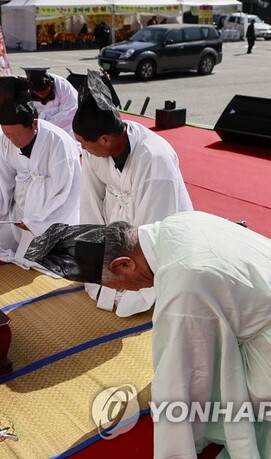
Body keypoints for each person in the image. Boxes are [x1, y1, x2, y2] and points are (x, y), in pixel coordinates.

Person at [25, 211, 271, 459]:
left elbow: (181, 379)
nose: (123, 292)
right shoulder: (179, 224)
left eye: (115, 285)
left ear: (123, 264)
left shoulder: (184, 284)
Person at [72, 70, 192, 316]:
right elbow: (90, 201)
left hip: (156, 229)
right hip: (116, 227)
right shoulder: (94, 151)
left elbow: (155, 226)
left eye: (84, 143)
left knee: (138, 287)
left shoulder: (154, 159)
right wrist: (94, 252)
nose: (82, 148)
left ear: (105, 139)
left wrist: (125, 265)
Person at [0, 76, 81, 272]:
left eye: (16, 134)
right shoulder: (4, 142)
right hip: (22, 208)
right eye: (7, 133)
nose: (12, 139)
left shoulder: (58, 143)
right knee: (5, 245)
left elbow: (66, 191)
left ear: (34, 124)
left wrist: (37, 224)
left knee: (40, 258)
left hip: (51, 211)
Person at [22, 67, 79, 137]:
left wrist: (46, 124)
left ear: (51, 84)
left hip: (66, 128)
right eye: (38, 93)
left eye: (43, 92)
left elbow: (70, 111)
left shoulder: (63, 86)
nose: (40, 95)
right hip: (39, 129)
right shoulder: (26, 91)